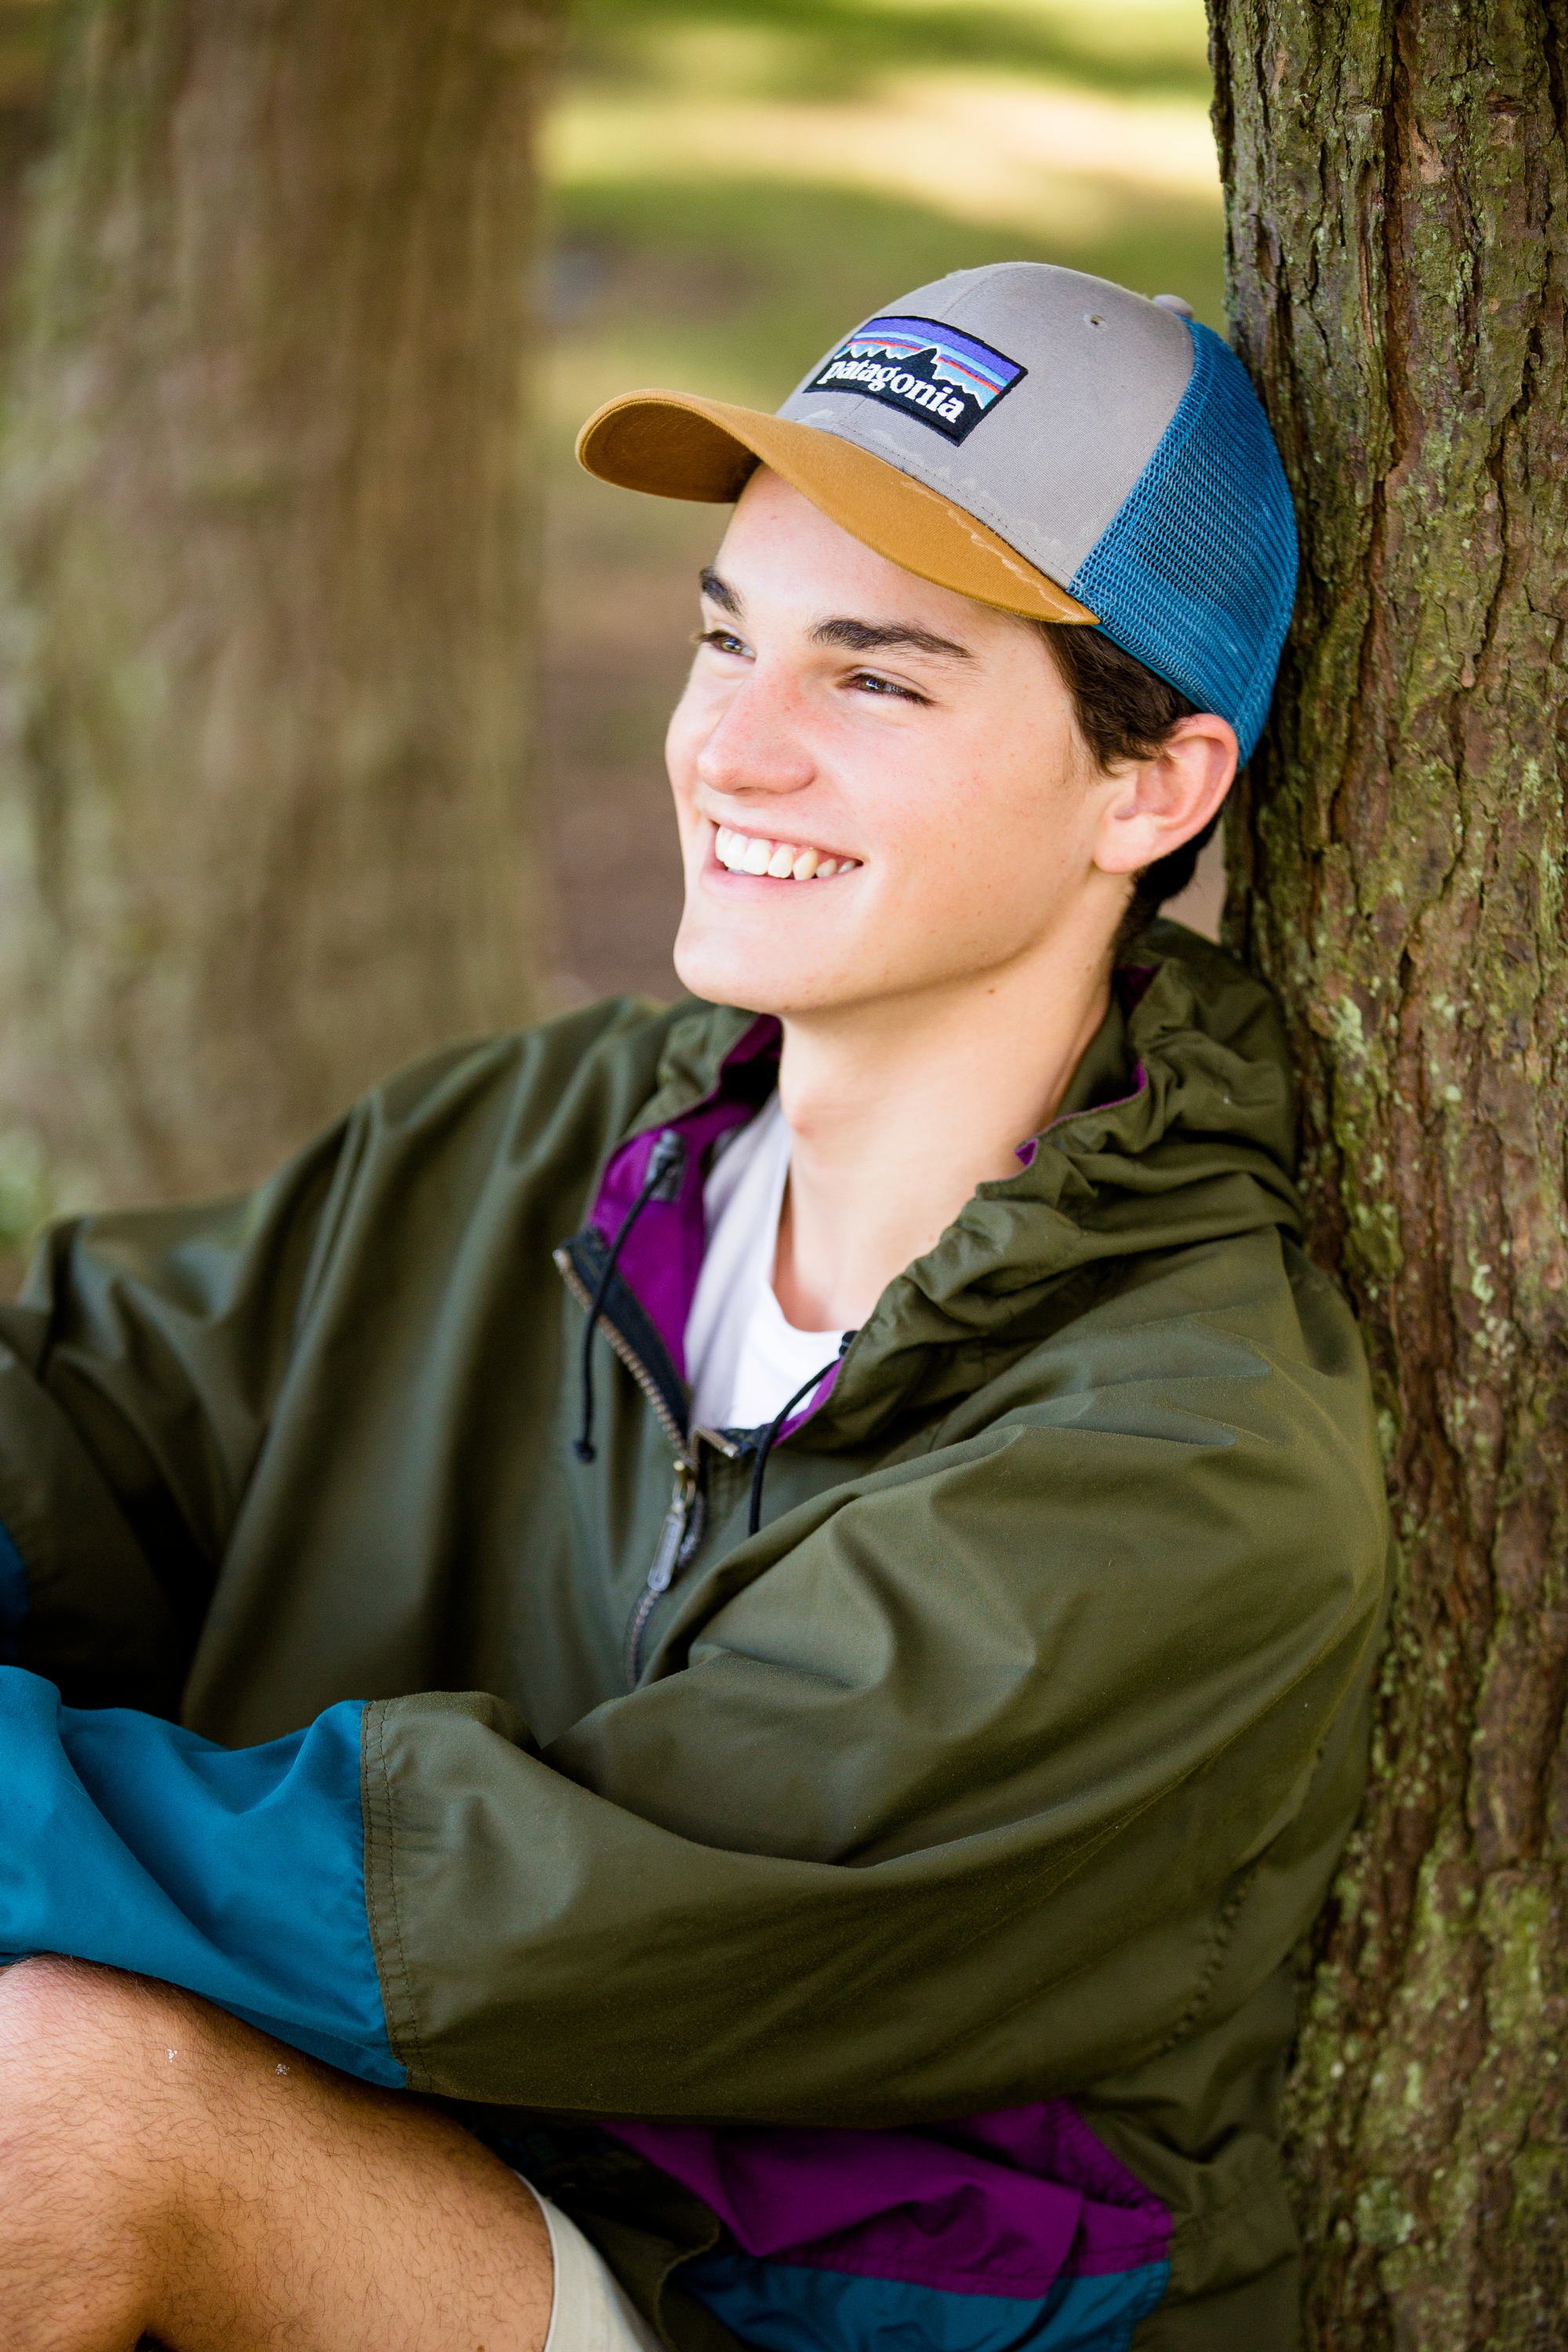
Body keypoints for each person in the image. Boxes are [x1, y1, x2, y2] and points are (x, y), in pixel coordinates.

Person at [0, 261, 1387, 2352]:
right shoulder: (554, 1128)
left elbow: (528, 1909)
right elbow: (86, 1419)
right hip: (433, 2169)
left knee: (56, 2107)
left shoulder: (1187, 1467)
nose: (733, 747)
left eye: (876, 681)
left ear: (1153, 788)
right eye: (725, 636)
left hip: (784, 2305)